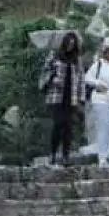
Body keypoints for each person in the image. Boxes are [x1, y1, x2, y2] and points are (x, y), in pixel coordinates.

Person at [37, 31, 83, 165]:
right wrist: (53, 79)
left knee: (68, 126)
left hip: (71, 97)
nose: (70, 46)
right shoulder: (55, 56)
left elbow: (81, 79)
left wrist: (81, 97)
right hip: (56, 96)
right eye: (68, 44)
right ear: (64, 43)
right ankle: (52, 153)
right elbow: (45, 71)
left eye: (73, 45)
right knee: (58, 124)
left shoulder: (77, 59)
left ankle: (65, 155)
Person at [84, 38, 109, 167]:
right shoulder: (98, 64)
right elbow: (87, 78)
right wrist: (98, 83)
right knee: (104, 128)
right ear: (105, 52)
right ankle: (102, 157)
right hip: (101, 100)